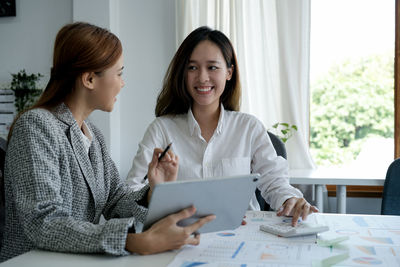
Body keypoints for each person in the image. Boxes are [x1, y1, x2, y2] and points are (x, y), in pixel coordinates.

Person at [0, 22, 215, 262]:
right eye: (119, 73)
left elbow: (115, 200)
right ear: (90, 79)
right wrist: (133, 241)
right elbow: (43, 222)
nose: (122, 83)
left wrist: (153, 191)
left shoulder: (93, 135)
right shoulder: (36, 127)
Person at [126, 26, 318, 225]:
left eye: (212, 67)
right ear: (182, 73)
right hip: (181, 238)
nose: (202, 77)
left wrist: (289, 200)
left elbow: (274, 181)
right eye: (192, 67)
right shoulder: (162, 129)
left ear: (229, 72)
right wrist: (155, 193)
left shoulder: (248, 128)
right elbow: (130, 191)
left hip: (242, 236)